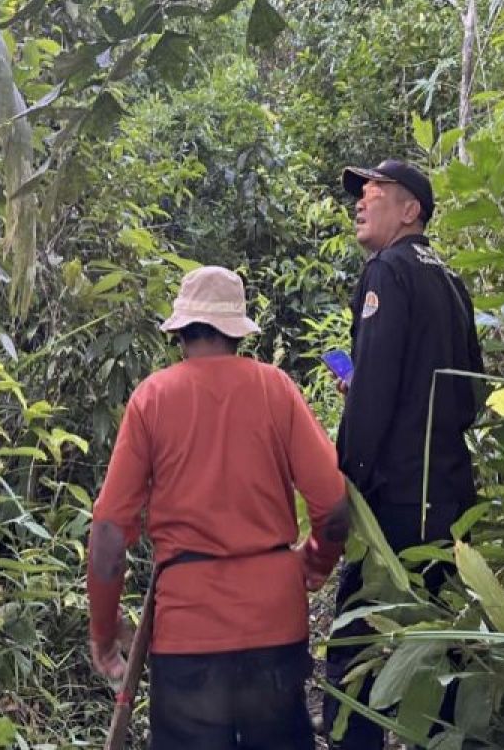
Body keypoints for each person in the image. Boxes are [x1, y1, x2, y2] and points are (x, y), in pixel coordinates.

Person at [87, 265, 350, 749]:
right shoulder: (276, 389)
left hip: (188, 633)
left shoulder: (152, 399)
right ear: (238, 332)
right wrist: (313, 564)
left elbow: (107, 539)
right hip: (275, 620)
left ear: (181, 331)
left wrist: (103, 632)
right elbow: (335, 507)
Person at [324, 160, 484, 748]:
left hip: (395, 498)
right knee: (440, 638)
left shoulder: (386, 270)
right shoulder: (449, 279)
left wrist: (348, 487)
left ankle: (353, 740)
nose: (360, 203)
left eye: (375, 193)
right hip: (447, 493)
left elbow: (378, 396)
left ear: (410, 209)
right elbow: (470, 389)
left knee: (357, 643)